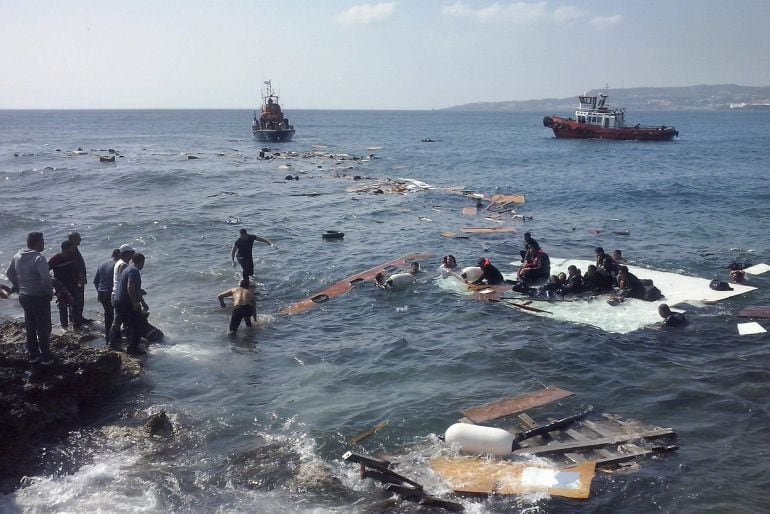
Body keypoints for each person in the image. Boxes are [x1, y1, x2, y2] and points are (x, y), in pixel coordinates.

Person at [6, 232, 55, 364]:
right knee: (43, 327)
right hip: (38, 297)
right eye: (42, 241)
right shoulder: (39, 258)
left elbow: (9, 273)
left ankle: (33, 355)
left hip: (24, 296)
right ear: (37, 242)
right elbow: (45, 278)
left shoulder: (17, 256)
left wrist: (19, 285)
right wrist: (49, 292)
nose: (44, 243)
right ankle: (46, 356)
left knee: (30, 325)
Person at [113, 253, 147, 356]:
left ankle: (115, 344)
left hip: (118, 301)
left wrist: (143, 302)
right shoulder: (134, 271)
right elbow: (130, 287)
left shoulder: (128, 269)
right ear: (141, 262)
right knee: (137, 324)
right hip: (125, 303)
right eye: (143, 263)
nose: (143, 266)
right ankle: (133, 349)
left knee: (128, 324)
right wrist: (134, 303)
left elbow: (136, 290)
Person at [48, 240, 80, 329]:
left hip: (73, 283)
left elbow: (77, 268)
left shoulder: (72, 256)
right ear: (67, 248)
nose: (73, 249)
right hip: (61, 286)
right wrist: (53, 282)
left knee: (75, 304)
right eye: (72, 247)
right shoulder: (55, 259)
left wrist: (80, 278)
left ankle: (76, 325)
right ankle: (64, 326)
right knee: (63, 305)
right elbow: (46, 271)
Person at [109, 244, 136, 347]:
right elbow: (125, 283)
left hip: (116, 295)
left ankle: (115, 341)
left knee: (119, 320)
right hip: (120, 296)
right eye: (132, 253)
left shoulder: (119, 263)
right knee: (119, 321)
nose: (133, 256)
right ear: (127, 254)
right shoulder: (123, 265)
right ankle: (113, 342)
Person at [94, 249, 120, 344]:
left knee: (108, 315)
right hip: (110, 293)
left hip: (101, 293)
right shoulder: (118, 265)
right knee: (114, 316)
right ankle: (111, 338)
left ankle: (110, 336)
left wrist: (99, 291)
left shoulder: (102, 264)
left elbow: (95, 281)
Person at [68, 232, 92, 325]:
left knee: (78, 299)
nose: (80, 239)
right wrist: (81, 277)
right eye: (78, 238)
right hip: (76, 279)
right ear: (73, 239)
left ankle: (77, 317)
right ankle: (76, 319)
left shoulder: (74, 249)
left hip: (78, 278)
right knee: (77, 299)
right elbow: (75, 266)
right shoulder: (72, 250)